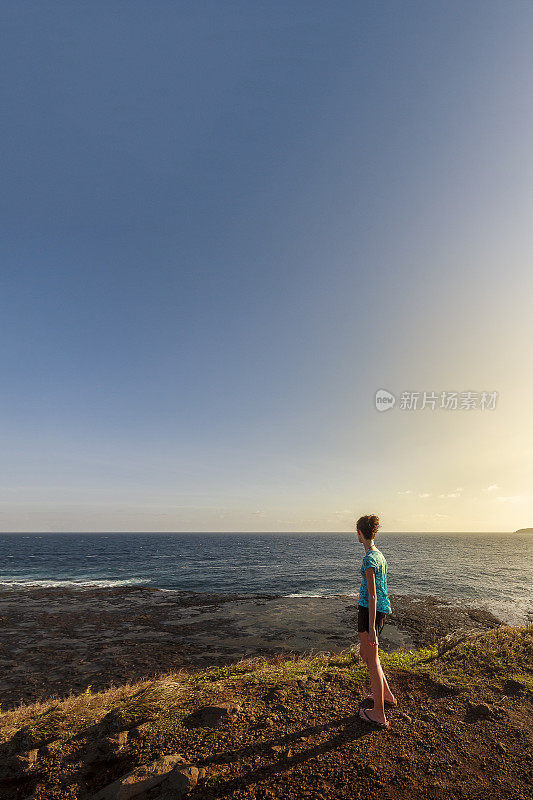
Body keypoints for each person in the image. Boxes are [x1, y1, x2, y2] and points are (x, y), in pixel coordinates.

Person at [356, 514, 395, 728]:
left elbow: (372, 595)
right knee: (367, 654)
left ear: (360, 534)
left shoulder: (369, 559)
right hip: (378, 611)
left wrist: (371, 629)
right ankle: (386, 695)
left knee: (372, 661)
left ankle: (379, 713)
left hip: (370, 611)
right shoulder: (379, 555)